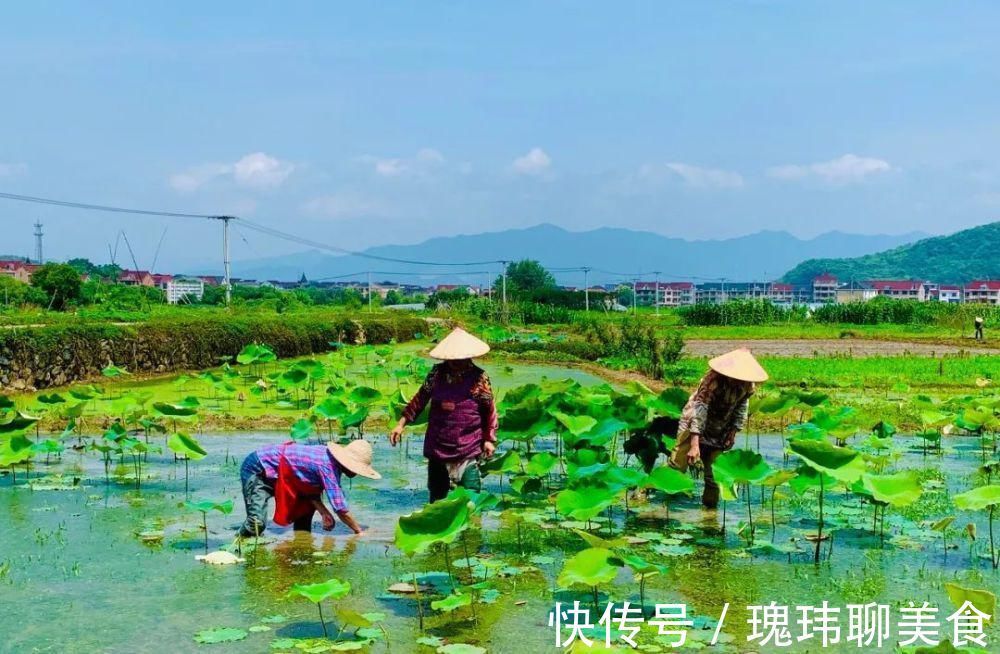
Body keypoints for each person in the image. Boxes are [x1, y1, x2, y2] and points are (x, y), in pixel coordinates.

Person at [389, 327, 498, 502]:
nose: (455, 362)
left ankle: (470, 529)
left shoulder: (479, 378)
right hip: (438, 446)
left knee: (471, 499)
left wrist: (488, 439)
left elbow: (489, 410)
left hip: (467, 447)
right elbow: (419, 400)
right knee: (437, 498)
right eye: (451, 358)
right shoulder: (436, 374)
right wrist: (401, 424)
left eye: (459, 358)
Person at [669, 348, 768, 509]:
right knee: (677, 467)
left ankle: (709, 515)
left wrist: (733, 432)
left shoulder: (748, 386)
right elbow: (699, 409)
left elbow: (742, 407)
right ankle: (646, 491)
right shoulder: (712, 380)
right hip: (693, 423)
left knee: (714, 475)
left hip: (719, 427)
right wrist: (695, 445)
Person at [238, 439, 380, 537]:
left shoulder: (330, 461)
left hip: (283, 474)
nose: (355, 473)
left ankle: (300, 545)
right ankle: (236, 543)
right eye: (356, 469)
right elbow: (341, 509)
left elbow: (308, 489)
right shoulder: (328, 466)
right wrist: (358, 531)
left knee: (304, 514)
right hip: (258, 469)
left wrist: (323, 512)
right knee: (256, 524)